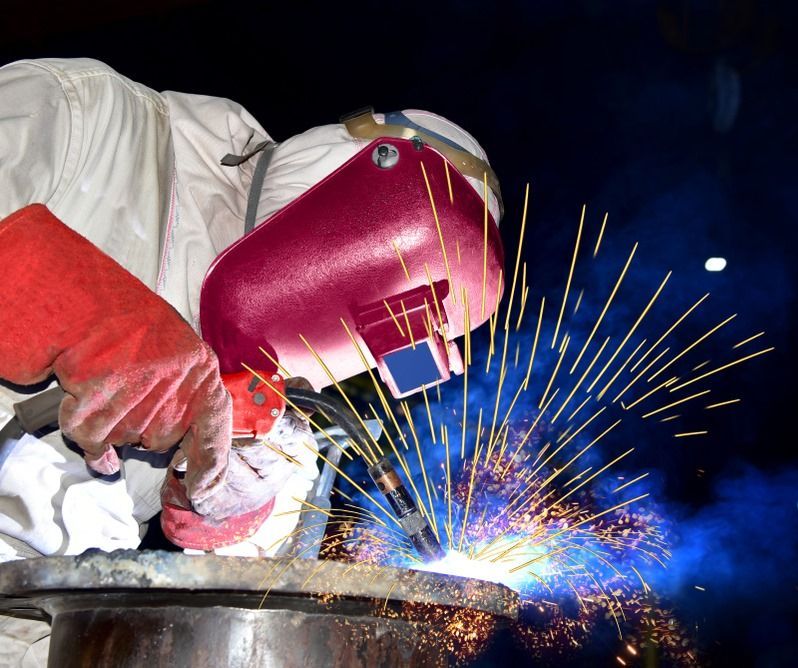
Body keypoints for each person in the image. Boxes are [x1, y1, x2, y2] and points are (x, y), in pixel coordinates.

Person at [0, 57, 501, 665]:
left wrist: (231, 513)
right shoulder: (89, 119)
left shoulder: (283, 409)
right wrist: (60, 300)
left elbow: (251, 599)